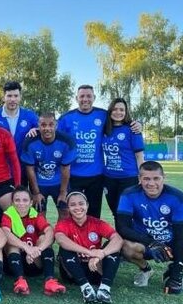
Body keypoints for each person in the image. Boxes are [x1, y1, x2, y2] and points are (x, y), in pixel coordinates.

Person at [116, 161, 183, 293]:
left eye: (156, 178)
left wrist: (178, 269)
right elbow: (122, 228)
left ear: (164, 177)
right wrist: (151, 243)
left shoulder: (178, 197)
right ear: (139, 179)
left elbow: (180, 237)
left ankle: (172, 269)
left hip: (171, 242)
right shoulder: (129, 194)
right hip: (144, 242)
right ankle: (146, 269)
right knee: (125, 246)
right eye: (146, 178)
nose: (151, 183)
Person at [58, 85, 141, 218]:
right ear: (76, 98)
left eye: (89, 96)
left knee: (94, 213)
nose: (85, 99)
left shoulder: (103, 115)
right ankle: (74, 238)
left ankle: (93, 239)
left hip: (97, 175)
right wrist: (36, 130)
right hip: (73, 175)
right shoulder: (66, 118)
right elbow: (50, 133)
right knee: (73, 212)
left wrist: (136, 124)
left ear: (94, 98)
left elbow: (121, 120)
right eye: (82, 96)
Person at [55, 192, 123, 304]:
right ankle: (85, 288)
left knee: (112, 248)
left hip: (95, 268)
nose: (77, 208)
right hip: (73, 273)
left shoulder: (97, 223)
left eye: (81, 204)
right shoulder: (64, 224)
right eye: (73, 205)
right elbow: (61, 239)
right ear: (68, 208)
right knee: (65, 249)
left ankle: (104, 289)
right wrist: (90, 253)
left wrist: (102, 253)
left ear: (87, 205)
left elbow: (118, 240)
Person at [1, 187, 66, 296]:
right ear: (12, 202)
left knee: (42, 239)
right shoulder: (8, 215)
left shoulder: (35, 215)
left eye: (25, 200)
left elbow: (50, 231)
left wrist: (38, 249)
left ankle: (49, 281)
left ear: (31, 202)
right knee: (10, 243)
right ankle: (20, 280)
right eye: (17, 200)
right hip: (12, 264)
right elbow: (5, 233)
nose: (21, 203)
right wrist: (26, 247)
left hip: (34, 261)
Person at [20, 112, 76, 220]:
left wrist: (63, 192)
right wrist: (36, 193)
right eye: (43, 125)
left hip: (59, 183)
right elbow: (30, 170)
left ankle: (60, 236)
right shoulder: (30, 142)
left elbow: (65, 168)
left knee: (65, 213)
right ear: (38, 126)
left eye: (51, 125)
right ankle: (43, 236)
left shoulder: (66, 141)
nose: (47, 128)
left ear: (56, 125)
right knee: (39, 216)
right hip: (39, 184)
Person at [102, 98, 144, 222]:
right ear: (110, 111)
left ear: (126, 112)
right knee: (115, 212)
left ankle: (130, 240)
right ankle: (121, 240)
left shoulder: (133, 129)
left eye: (122, 110)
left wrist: (142, 176)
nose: (118, 112)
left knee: (125, 213)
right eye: (115, 109)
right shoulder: (104, 130)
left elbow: (139, 156)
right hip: (109, 178)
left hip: (128, 178)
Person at [0, 81, 39, 186]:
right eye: (9, 96)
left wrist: (36, 130)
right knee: (4, 201)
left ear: (20, 97)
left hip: (24, 168)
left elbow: (44, 130)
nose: (12, 99)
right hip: (1, 170)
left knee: (22, 200)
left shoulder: (30, 116)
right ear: (3, 97)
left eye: (16, 96)